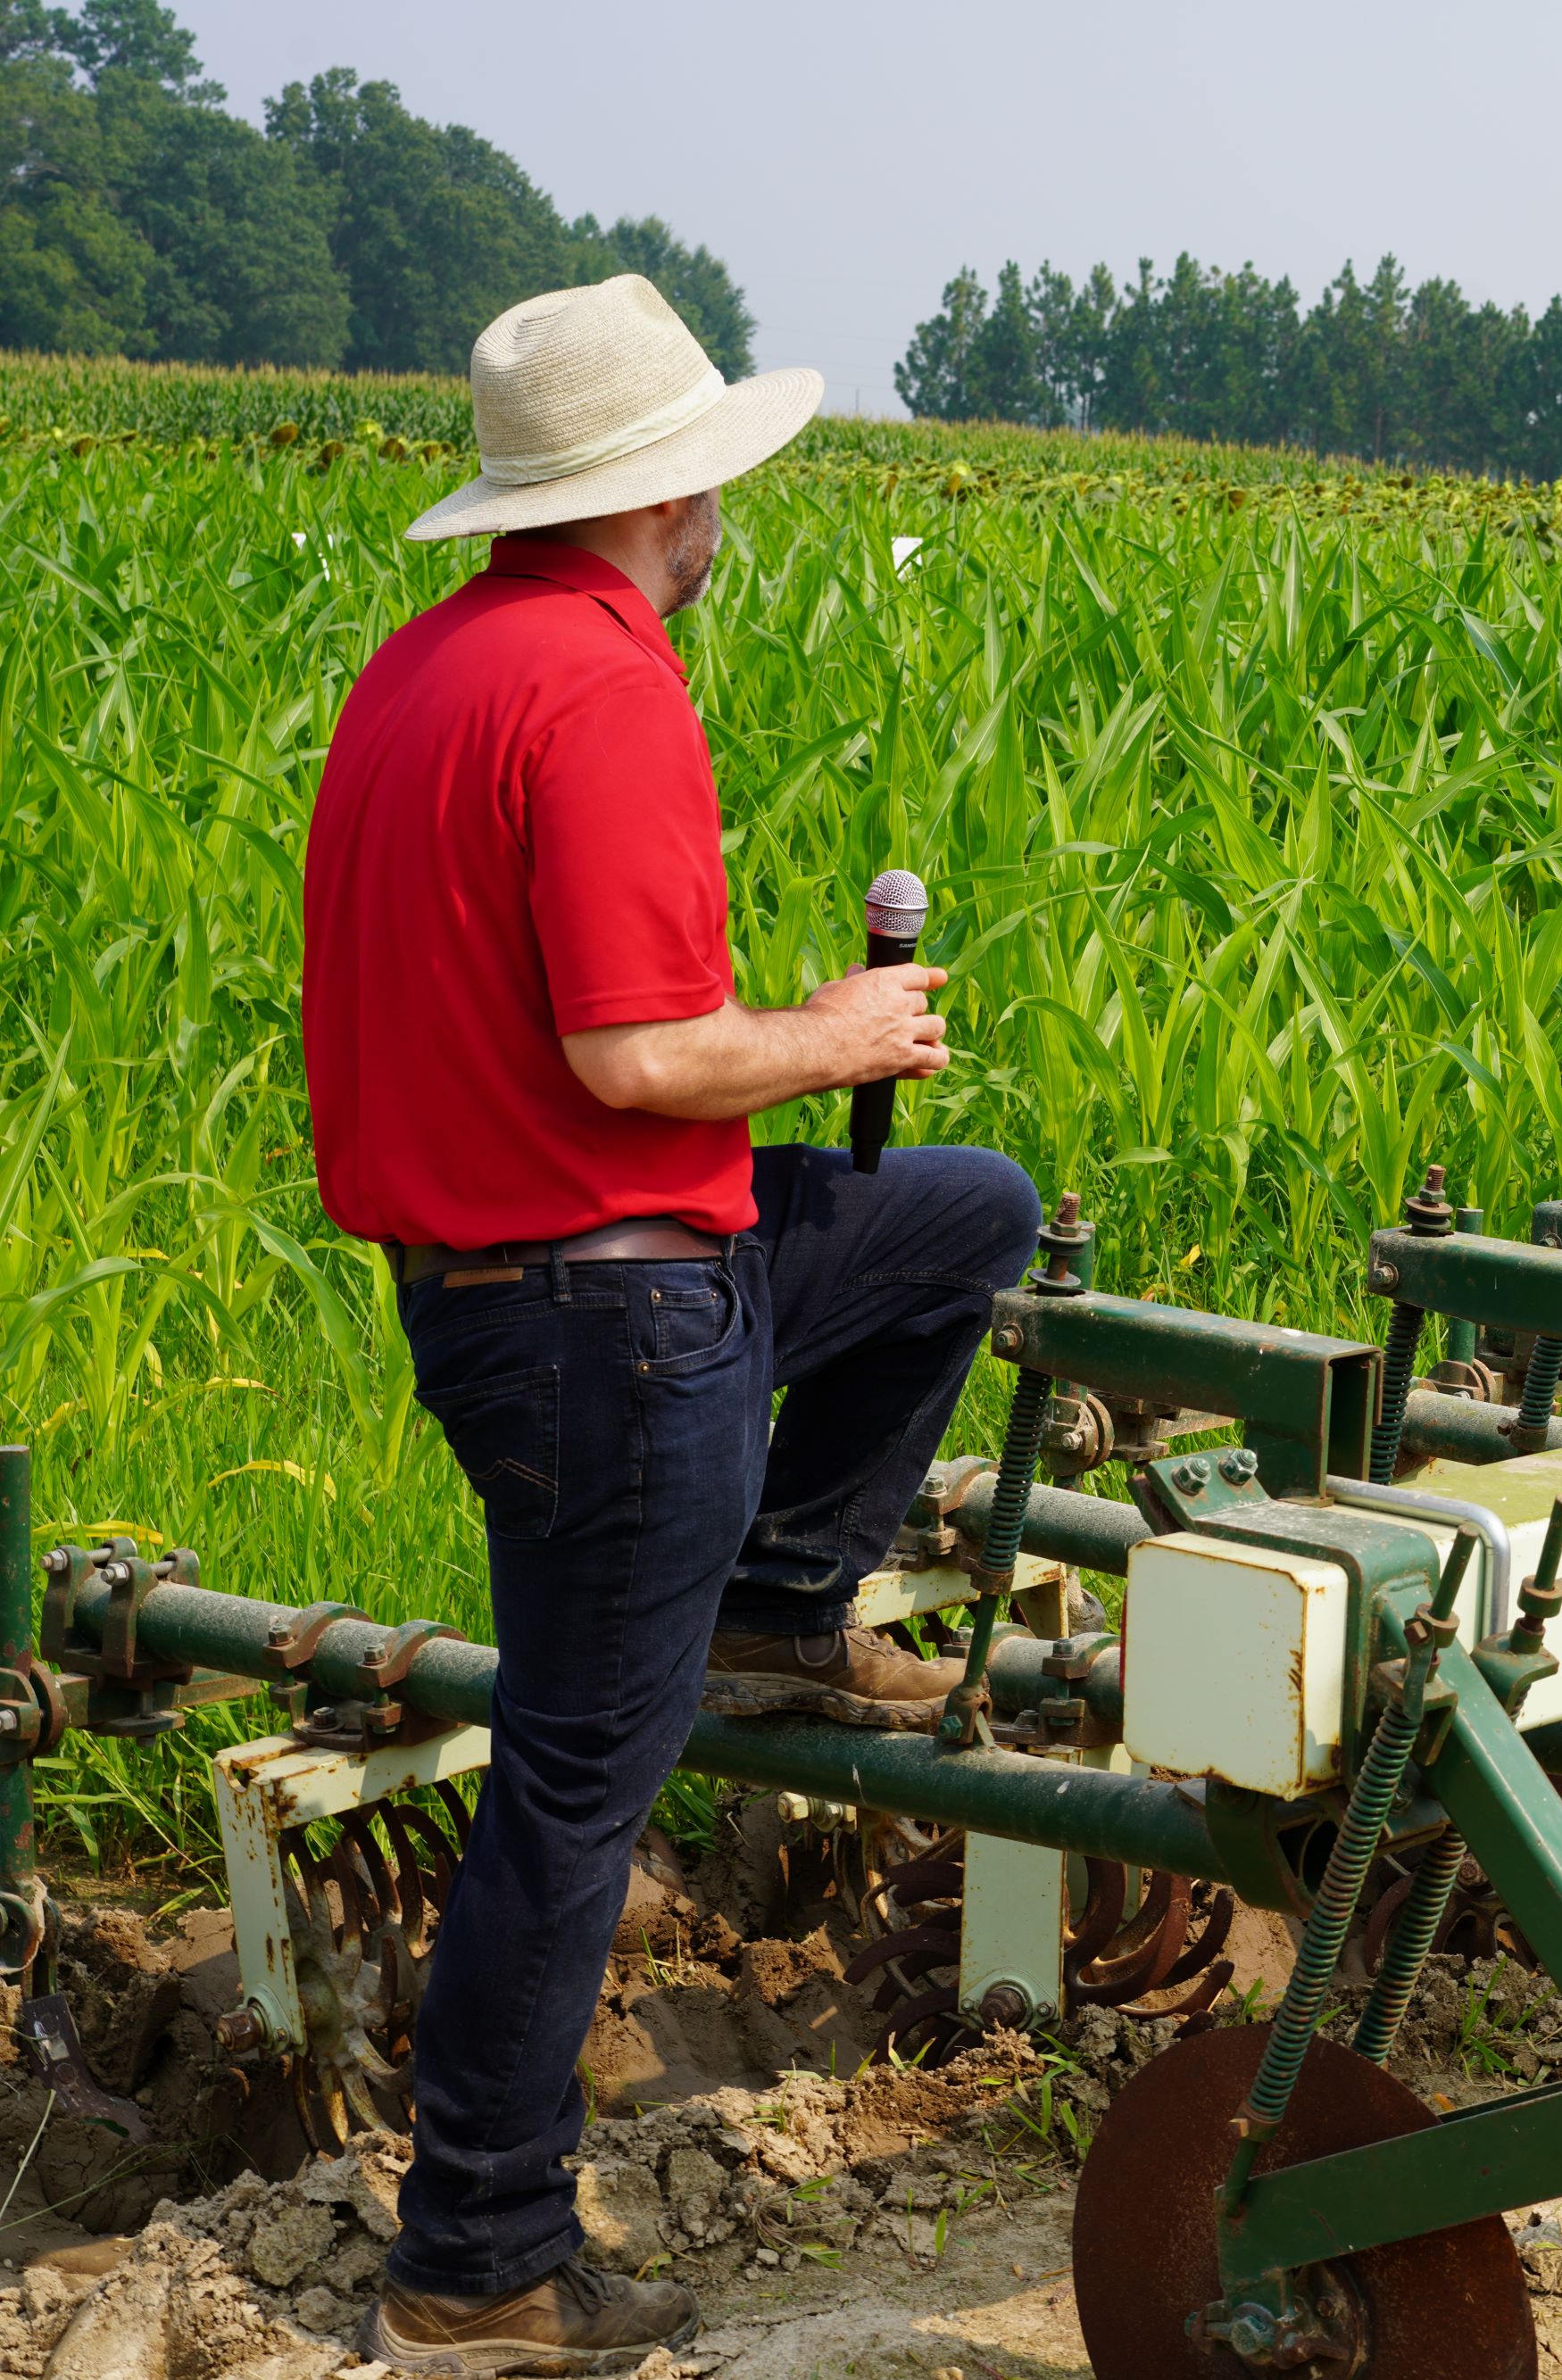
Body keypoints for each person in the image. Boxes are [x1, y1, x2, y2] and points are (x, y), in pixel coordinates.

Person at [300, 275, 1040, 2375]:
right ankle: (478, 2267)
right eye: (716, 475)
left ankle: (790, 1597)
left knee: (959, 1215)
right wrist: (838, 1031)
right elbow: (636, 1055)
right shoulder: (602, 692)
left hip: (546, 1278)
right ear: (674, 490)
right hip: (607, 1318)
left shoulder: (423, 671)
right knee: (571, 1786)